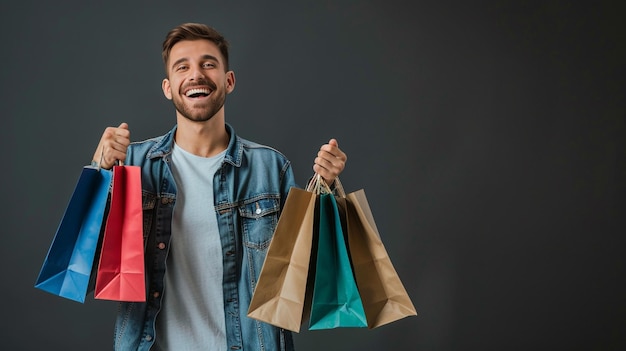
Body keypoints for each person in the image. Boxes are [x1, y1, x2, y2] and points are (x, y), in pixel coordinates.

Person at [91, 23, 347, 350]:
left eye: (208, 64)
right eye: (183, 66)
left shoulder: (270, 168)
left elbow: (303, 279)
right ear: (168, 88)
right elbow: (93, 266)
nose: (196, 74)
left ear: (229, 81)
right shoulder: (133, 166)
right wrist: (101, 174)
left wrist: (325, 190)